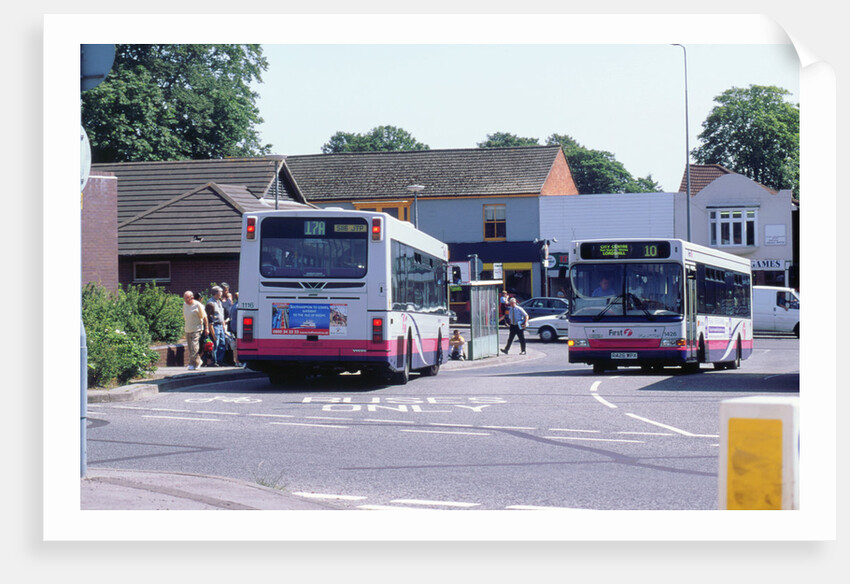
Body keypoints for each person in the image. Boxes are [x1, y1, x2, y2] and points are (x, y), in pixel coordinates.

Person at [182, 291, 209, 371]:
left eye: (187, 298)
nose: (186, 300)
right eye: (185, 298)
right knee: (191, 349)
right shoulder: (185, 305)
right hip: (188, 329)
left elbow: (205, 317)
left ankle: (192, 364)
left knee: (194, 347)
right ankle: (198, 361)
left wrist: (206, 328)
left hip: (197, 329)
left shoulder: (198, 305)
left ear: (192, 297)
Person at [205, 286, 227, 366]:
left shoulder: (219, 301)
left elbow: (222, 314)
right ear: (216, 293)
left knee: (222, 343)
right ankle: (214, 361)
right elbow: (209, 316)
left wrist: (223, 325)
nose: (222, 293)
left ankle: (220, 360)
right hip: (215, 325)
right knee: (215, 343)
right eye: (220, 292)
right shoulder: (210, 302)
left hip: (221, 325)